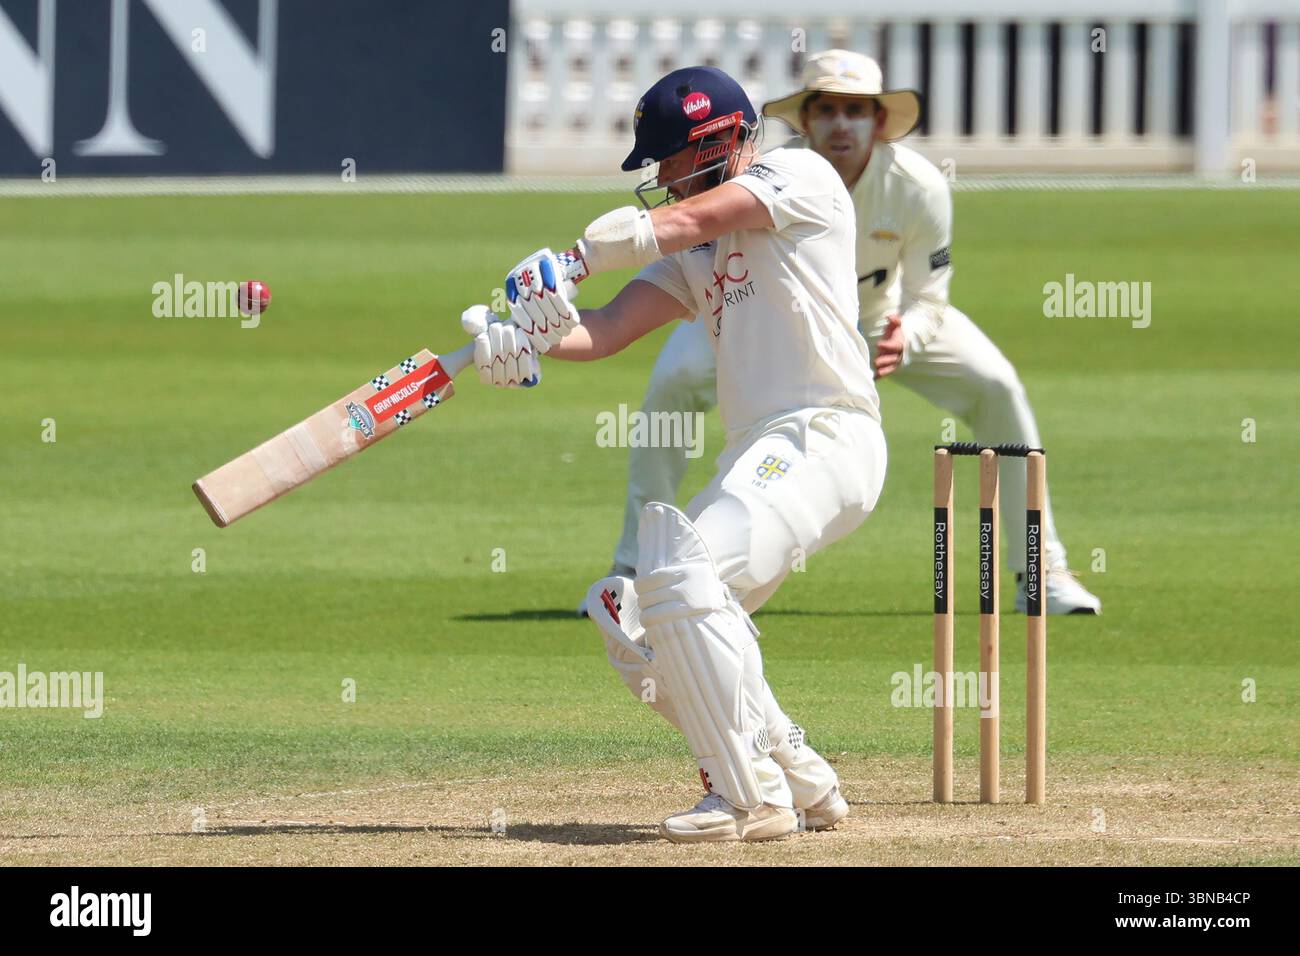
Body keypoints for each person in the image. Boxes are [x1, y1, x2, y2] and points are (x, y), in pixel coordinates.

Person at [460, 65, 886, 842]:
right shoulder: (697, 245)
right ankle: (796, 771)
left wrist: (574, 259)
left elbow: (674, 226)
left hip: (827, 434)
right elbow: (607, 329)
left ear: (721, 140)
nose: (662, 179)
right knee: (632, 611)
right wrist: (527, 337)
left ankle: (748, 799)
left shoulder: (799, 175)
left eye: (669, 162)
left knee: (678, 576)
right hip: (761, 453)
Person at [581, 49, 1101, 618]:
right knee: (673, 381)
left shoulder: (918, 185)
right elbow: (680, 242)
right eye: (826, 109)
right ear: (805, 120)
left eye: (856, 111)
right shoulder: (769, 172)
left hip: (880, 321)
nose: (840, 124)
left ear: (878, 121)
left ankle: (1042, 568)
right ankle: (632, 567)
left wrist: (915, 333)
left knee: (997, 384)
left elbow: (930, 292)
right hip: (758, 316)